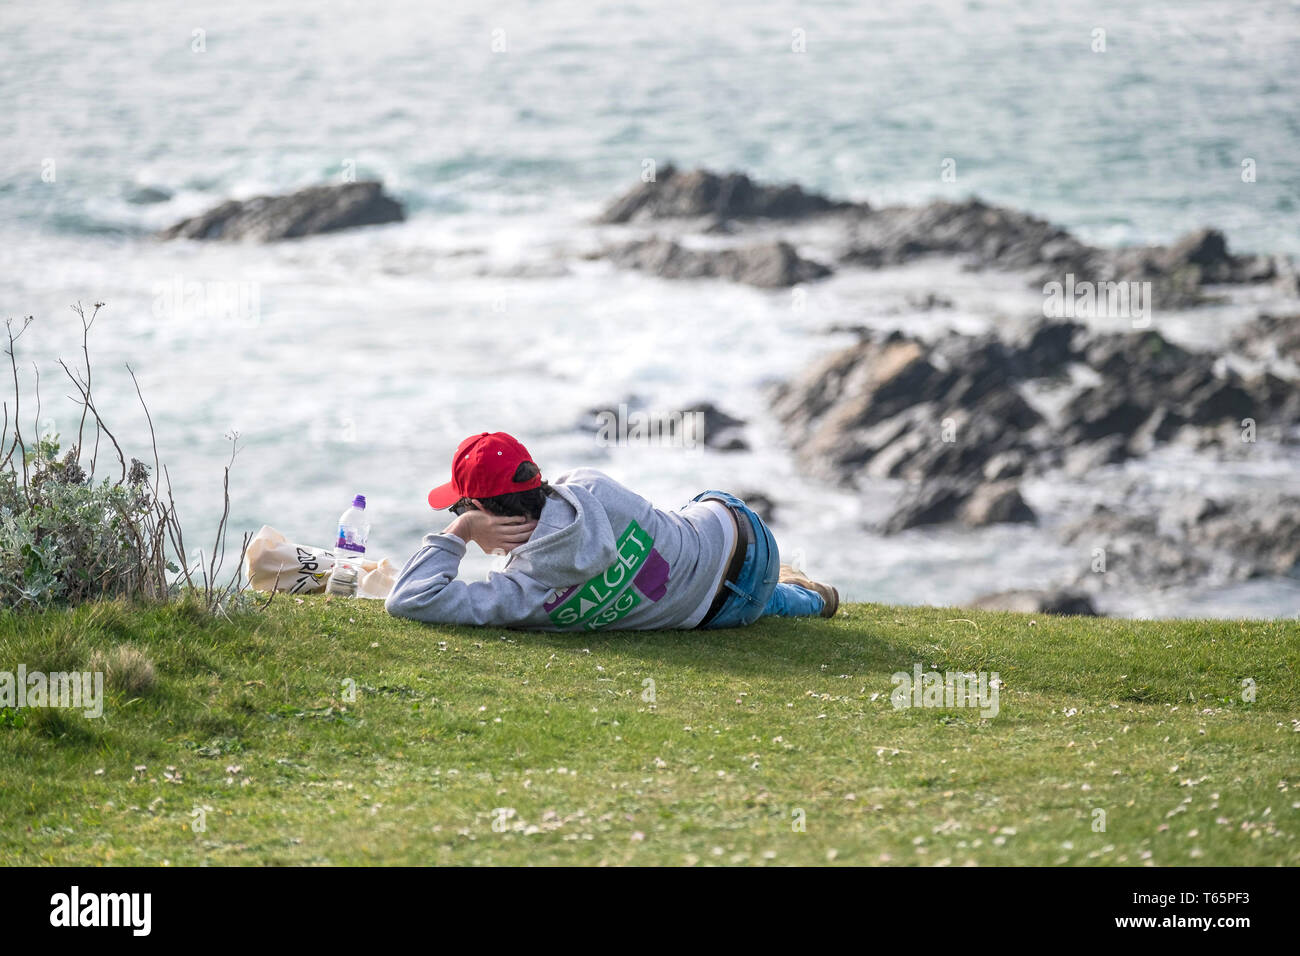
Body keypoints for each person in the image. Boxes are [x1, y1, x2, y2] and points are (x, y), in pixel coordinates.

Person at [385, 431, 839, 631]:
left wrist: (461, 531)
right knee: (674, 534)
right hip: (744, 529)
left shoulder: (521, 593)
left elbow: (408, 599)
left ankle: (805, 600)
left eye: (462, 505)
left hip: (727, 611)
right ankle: (805, 592)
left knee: (697, 596)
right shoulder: (589, 484)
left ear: (480, 508)